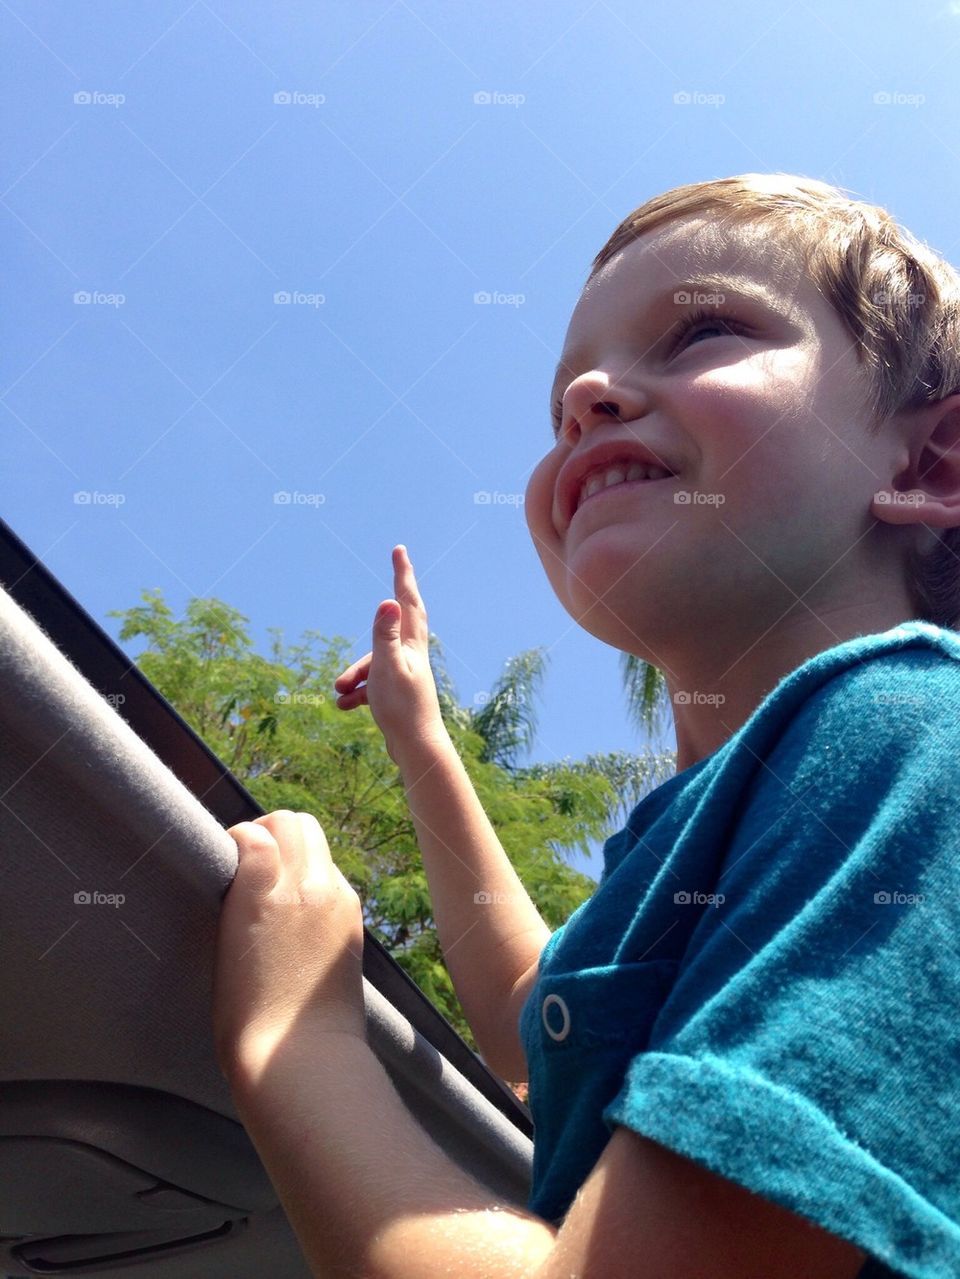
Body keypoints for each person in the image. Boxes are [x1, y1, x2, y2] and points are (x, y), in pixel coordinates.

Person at [211, 173, 960, 1278]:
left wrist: (294, 1041)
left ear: (927, 465)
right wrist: (421, 738)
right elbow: (534, 1018)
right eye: (564, 393)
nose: (591, 395)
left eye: (702, 330)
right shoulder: (744, 809)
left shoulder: (906, 738)